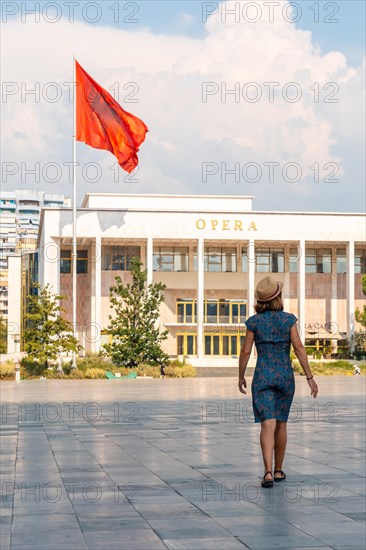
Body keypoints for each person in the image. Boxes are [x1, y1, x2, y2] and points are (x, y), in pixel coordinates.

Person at [238, 276, 318, 488]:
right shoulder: (289, 320)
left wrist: (240, 375)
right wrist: (309, 377)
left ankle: (267, 473)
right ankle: (279, 470)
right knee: (281, 423)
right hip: (285, 376)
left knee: (267, 423)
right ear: (278, 297)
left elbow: (246, 351)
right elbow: (299, 348)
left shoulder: (254, 322)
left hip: (262, 375)